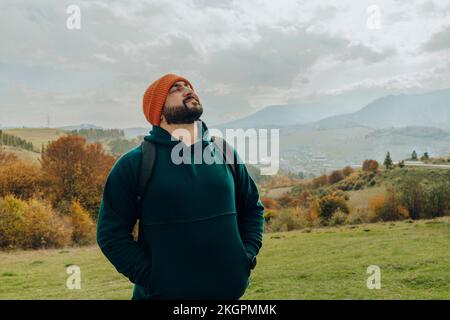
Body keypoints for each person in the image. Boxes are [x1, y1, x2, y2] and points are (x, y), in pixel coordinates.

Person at [96, 73, 264, 300]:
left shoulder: (225, 153)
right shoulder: (135, 164)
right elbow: (110, 233)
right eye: (175, 88)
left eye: (189, 86)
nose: (188, 90)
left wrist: (247, 256)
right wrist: (152, 279)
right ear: (158, 111)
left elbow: (252, 207)